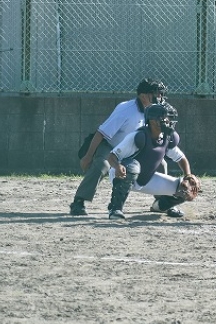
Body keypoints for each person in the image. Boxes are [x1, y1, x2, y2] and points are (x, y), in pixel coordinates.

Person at [69, 78, 167, 216]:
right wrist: (88, 156)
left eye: (161, 94)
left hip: (133, 149)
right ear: (143, 95)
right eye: (155, 93)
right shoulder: (126, 109)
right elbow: (101, 133)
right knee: (102, 165)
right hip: (111, 146)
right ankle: (78, 202)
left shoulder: (157, 111)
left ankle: (162, 202)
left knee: (160, 163)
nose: (159, 97)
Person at [106, 102, 199, 219]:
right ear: (153, 121)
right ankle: (115, 209)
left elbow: (181, 158)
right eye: (165, 117)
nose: (169, 121)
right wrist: (117, 166)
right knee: (132, 166)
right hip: (121, 174)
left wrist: (188, 176)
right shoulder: (139, 136)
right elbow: (112, 156)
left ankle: (160, 206)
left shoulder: (166, 137)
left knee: (184, 189)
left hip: (145, 178)